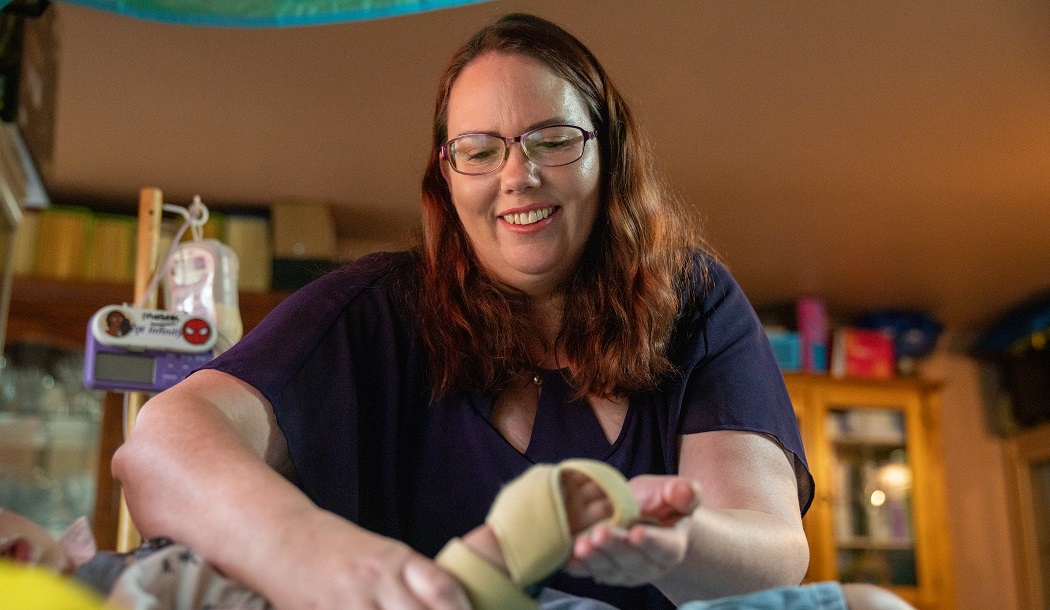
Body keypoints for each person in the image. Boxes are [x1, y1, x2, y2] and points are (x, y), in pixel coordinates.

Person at [112, 12, 909, 610]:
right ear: (447, 176)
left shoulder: (693, 300)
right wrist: (319, 556)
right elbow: (163, 449)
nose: (517, 175)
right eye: (481, 149)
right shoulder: (373, 311)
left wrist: (674, 542)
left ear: (609, 153)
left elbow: (773, 550)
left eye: (552, 139)